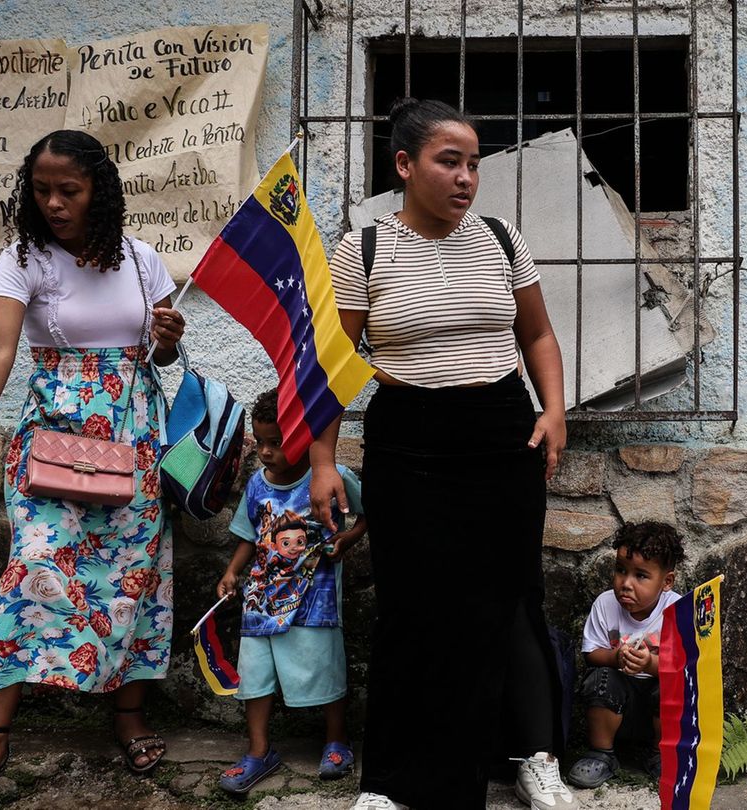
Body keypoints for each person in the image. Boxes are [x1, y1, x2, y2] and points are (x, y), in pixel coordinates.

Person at [310, 98, 572, 810]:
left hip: (500, 433)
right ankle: (391, 783)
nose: (466, 178)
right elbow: (331, 366)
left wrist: (554, 412)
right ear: (405, 164)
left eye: (473, 163)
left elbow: (538, 337)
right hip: (410, 440)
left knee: (511, 601)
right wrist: (324, 459)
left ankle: (531, 753)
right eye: (448, 161)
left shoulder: (500, 238)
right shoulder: (362, 249)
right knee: (412, 610)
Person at [0, 129, 185, 804]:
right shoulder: (26, 259)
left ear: (98, 191)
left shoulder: (142, 261)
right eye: (42, 190)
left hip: (136, 444)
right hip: (54, 446)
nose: (53, 203)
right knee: (34, 565)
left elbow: (159, 359)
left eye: (68, 190)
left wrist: (167, 342)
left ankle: (129, 715)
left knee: (135, 581)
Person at [214, 388, 366, 795]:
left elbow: (367, 516)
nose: (265, 452)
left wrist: (346, 541)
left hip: (313, 601)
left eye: (275, 443)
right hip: (260, 600)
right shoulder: (257, 486)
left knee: (324, 665)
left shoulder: (331, 478)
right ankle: (259, 750)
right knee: (256, 675)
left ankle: (337, 740)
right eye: (260, 442)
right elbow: (249, 536)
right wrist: (232, 572)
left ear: (301, 438)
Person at [568, 522, 685, 788]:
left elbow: (684, 666)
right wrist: (615, 658)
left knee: (675, 685)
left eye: (641, 575)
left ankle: (662, 754)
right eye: (621, 570)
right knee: (600, 678)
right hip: (618, 704)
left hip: (657, 712)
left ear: (666, 581)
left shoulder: (677, 611)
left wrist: (651, 664)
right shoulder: (606, 604)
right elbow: (591, 654)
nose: (626, 583)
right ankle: (602, 754)